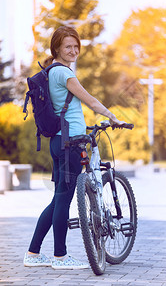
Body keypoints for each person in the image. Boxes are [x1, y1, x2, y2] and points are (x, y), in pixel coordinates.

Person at [24, 26, 125, 270]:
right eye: (68, 46)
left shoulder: (52, 72)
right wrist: (113, 117)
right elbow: (89, 99)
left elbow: (67, 108)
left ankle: (33, 253)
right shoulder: (63, 73)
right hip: (70, 143)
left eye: (76, 46)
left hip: (60, 141)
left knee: (58, 198)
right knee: (63, 199)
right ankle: (60, 256)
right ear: (57, 48)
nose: (73, 50)